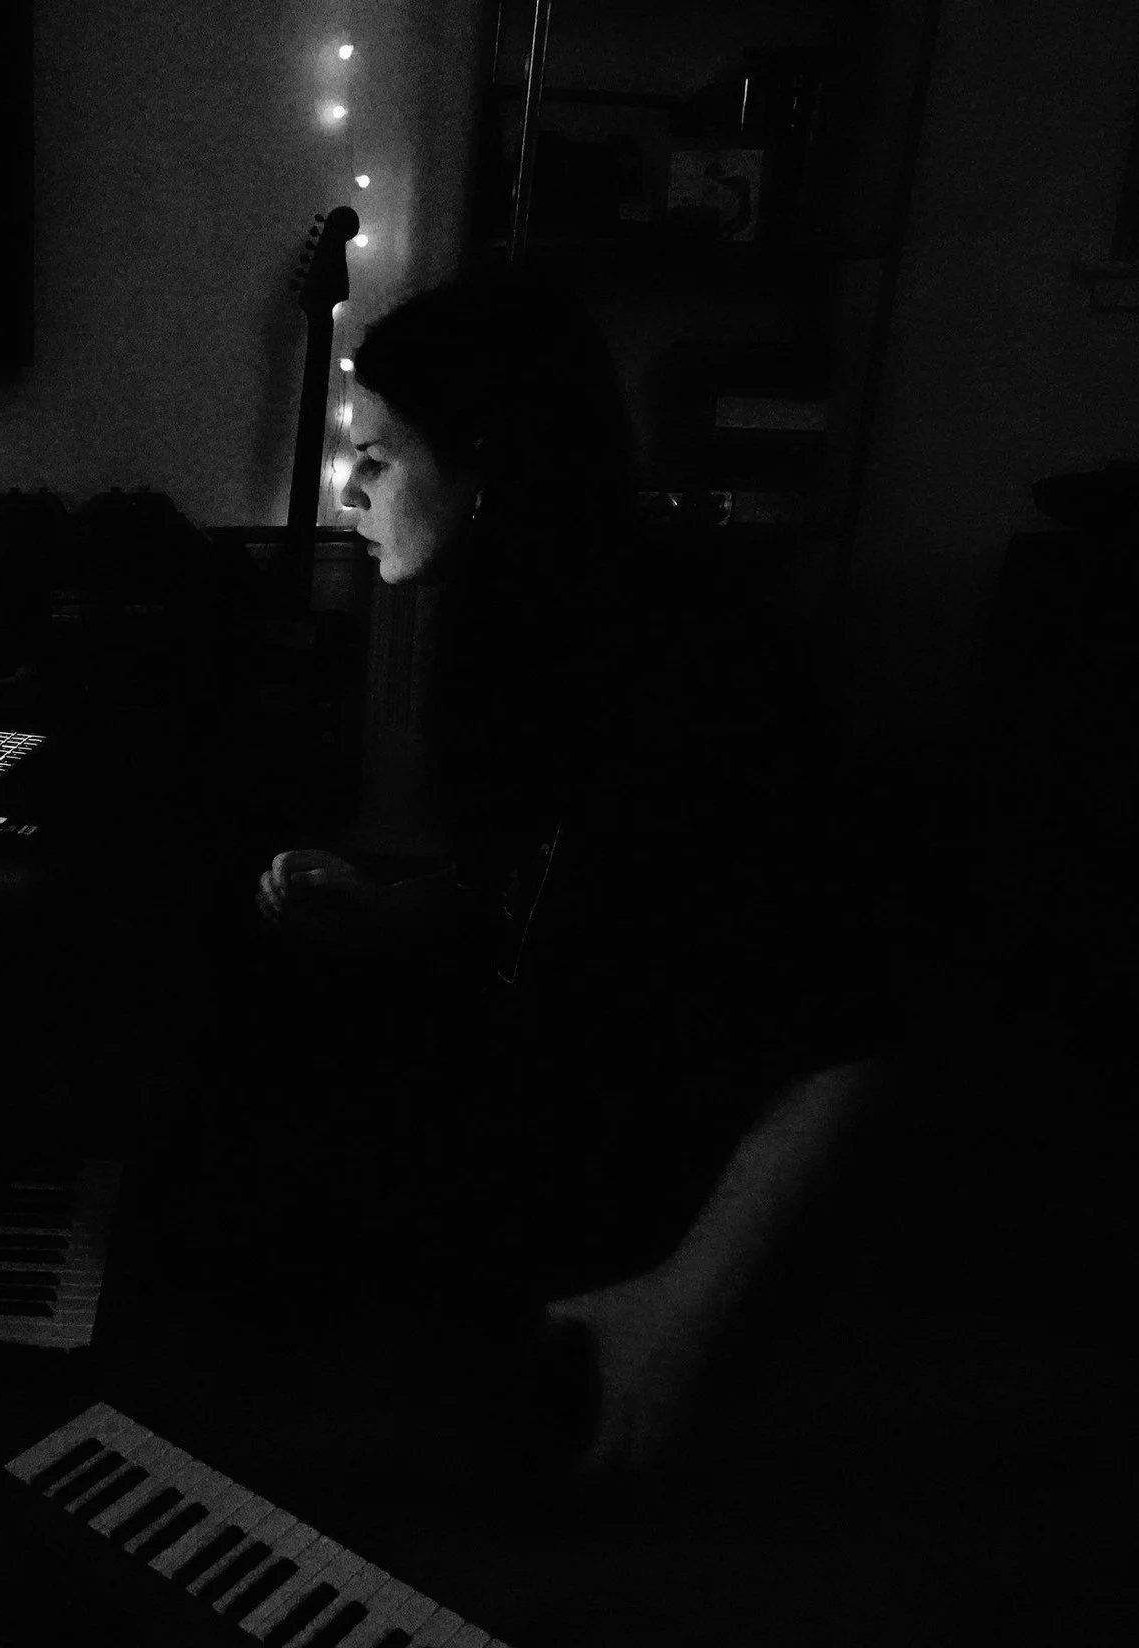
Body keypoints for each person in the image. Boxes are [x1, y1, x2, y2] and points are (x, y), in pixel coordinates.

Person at [247, 263, 901, 1499]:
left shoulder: (695, 667)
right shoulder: (503, 629)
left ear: (490, 465)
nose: (349, 491)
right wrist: (396, 910)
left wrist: (682, 1314)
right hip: (540, 1095)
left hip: (672, 1186)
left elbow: (849, 1024)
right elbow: (555, 892)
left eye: (377, 456)